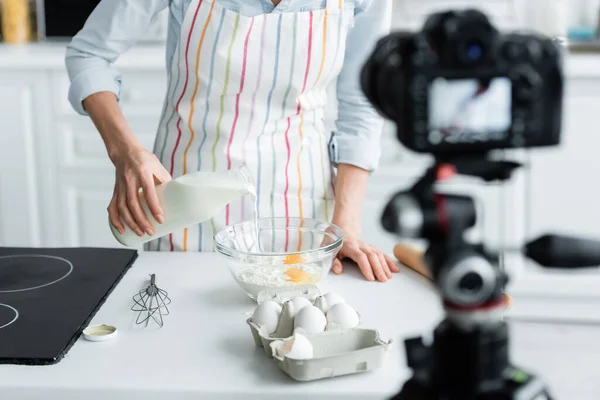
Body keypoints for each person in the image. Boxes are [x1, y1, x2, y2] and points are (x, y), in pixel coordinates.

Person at [65, 0, 400, 282]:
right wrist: (126, 151)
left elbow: (363, 102)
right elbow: (90, 54)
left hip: (301, 214)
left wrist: (347, 223)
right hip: (184, 207)